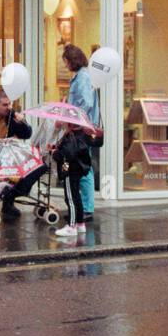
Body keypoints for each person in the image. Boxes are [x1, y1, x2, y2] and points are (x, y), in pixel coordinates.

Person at [0, 89, 46, 217]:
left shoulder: (11, 115)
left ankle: (8, 202)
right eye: (5, 105)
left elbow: (27, 134)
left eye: (10, 104)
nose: (9, 107)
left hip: (6, 153)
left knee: (35, 169)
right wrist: (4, 141)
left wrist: (22, 123)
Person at [64, 44, 100, 220]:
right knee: (81, 166)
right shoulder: (81, 76)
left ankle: (87, 208)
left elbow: (86, 103)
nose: (65, 66)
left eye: (66, 61)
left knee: (84, 168)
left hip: (82, 129)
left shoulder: (83, 77)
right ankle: (82, 208)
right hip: (81, 127)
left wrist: (75, 121)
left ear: (73, 60)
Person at [49, 120, 92, 240]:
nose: (62, 124)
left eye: (64, 123)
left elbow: (66, 154)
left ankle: (71, 227)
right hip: (75, 169)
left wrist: (54, 152)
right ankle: (80, 224)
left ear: (70, 124)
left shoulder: (71, 136)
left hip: (70, 169)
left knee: (70, 198)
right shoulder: (81, 134)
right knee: (76, 196)